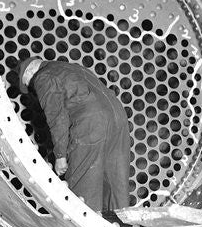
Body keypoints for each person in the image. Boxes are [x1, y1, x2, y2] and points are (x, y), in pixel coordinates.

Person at [18, 56, 131, 216]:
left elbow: (57, 118)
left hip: (91, 122)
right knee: (116, 183)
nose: (33, 89)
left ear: (30, 71)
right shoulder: (72, 68)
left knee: (83, 186)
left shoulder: (44, 76)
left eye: (29, 85)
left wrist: (60, 155)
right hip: (118, 117)